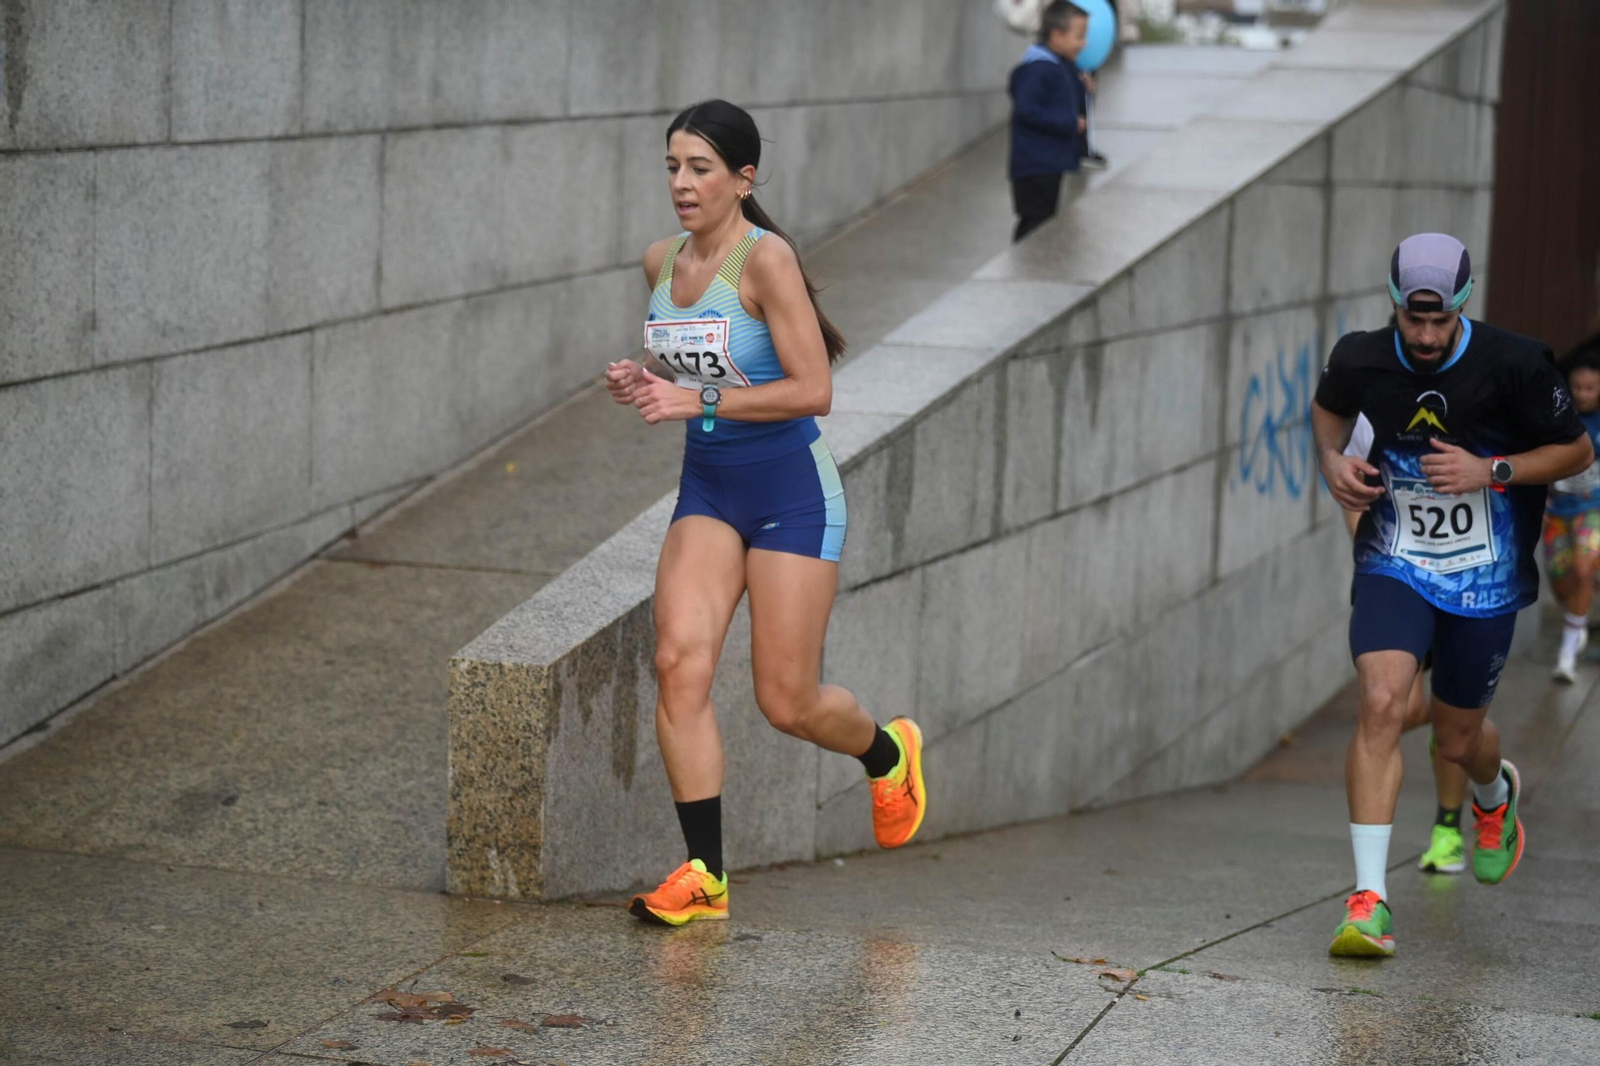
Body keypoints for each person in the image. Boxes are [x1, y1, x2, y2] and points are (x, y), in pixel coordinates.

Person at [604, 100, 928, 927]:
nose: (681, 183)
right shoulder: (659, 260)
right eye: (673, 166)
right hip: (709, 491)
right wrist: (647, 383)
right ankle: (705, 874)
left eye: (700, 168)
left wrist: (693, 396)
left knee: (786, 702)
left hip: (789, 496)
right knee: (679, 664)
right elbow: (684, 363)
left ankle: (888, 750)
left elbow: (813, 390)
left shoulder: (766, 259)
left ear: (744, 179)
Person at [1312, 232, 1593, 957]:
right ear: (1395, 305)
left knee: (1455, 735)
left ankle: (1494, 795)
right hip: (1395, 561)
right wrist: (1331, 465)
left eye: (1441, 321)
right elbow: (1328, 413)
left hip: (1483, 578)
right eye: (1415, 320)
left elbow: (1577, 451)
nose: (1428, 335)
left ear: (1464, 305)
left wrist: (1491, 470)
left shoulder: (1517, 363)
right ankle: (1368, 901)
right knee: (1379, 702)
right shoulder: (1359, 357)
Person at [1340, 411, 1471, 875]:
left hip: (1468, 578)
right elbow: (1352, 481)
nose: (1427, 333)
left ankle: (1449, 828)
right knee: (1393, 705)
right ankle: (1369, 890)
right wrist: (1376, 555)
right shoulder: (1375, 396)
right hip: (1398, 576)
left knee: (1454, 718)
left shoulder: (1490, 384)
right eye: (1415, 328)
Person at [1008, 0, 1089, 242]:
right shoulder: (1038, 68)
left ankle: (1032, 265)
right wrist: (1069, 123)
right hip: (1034, 164)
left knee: (1044, 218)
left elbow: (1064, 94)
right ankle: (1023, 266)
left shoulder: (1060, 65)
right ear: (1056, 34)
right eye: (1079, 36)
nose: (1083, 43)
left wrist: (1083, 85)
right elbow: (1027, 109)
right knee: (1035, 220)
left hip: (1048, 162)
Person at [1542, 346, 1600, 682]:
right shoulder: (1556, 416)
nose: (1582, 394)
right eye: (1577, 387)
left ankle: (1566, 657)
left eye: (1590, 388)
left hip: (1592, 509)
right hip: (1557, 511)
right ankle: (1576, 621)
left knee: (1583, 567)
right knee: (1563, 583)